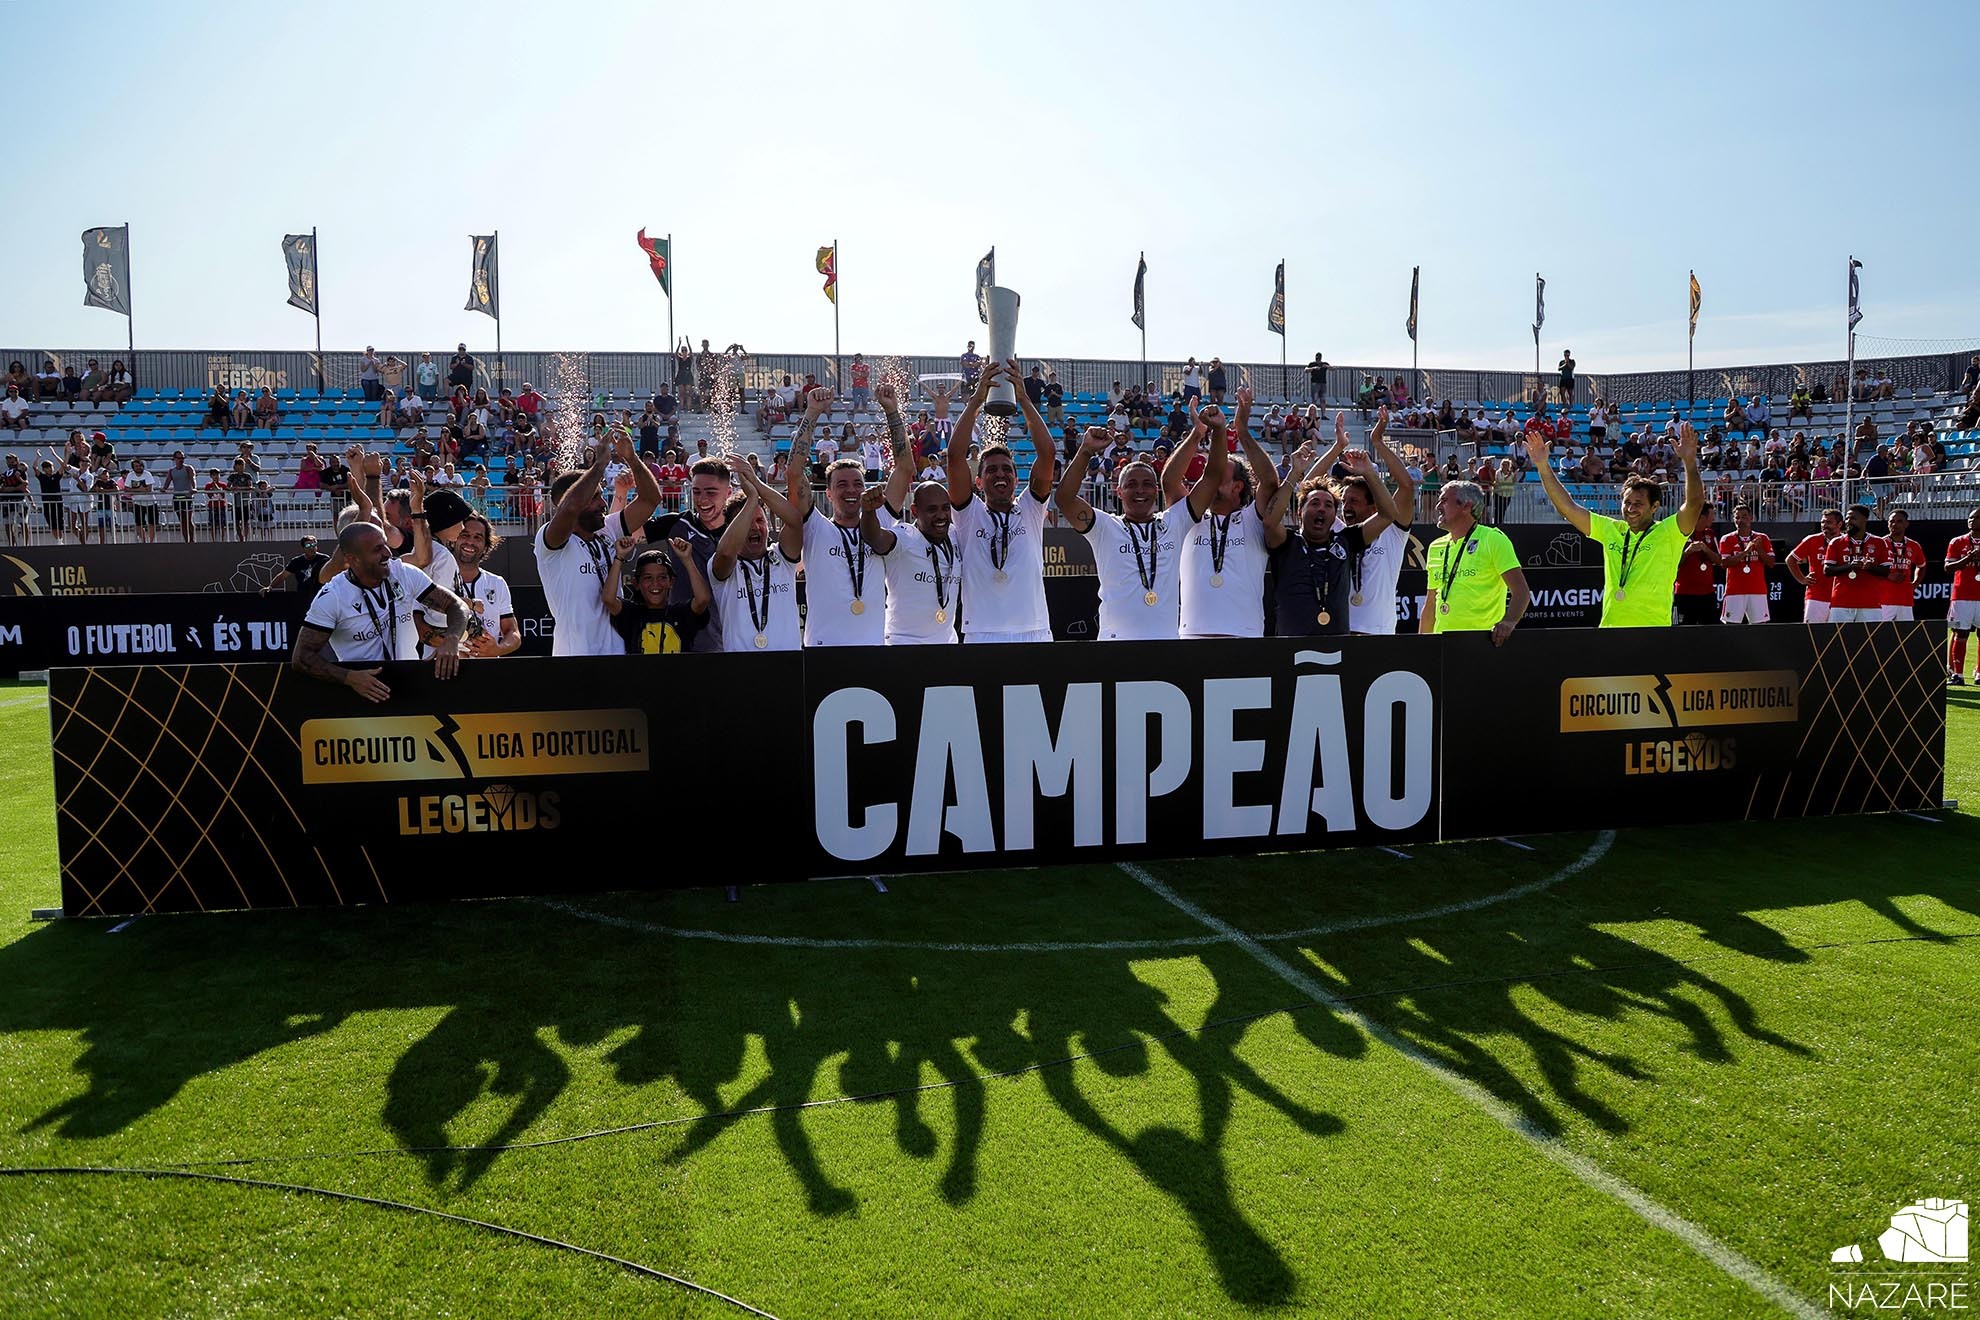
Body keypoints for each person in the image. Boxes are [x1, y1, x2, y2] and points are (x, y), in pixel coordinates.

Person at [1524, 421, 1704, 628]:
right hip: (1610, 631)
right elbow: (1568, 508)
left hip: (1654, 634)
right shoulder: (1611, 529)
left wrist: (1690, 462)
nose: (1630, 508)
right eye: (1627, 502)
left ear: (1654, 507)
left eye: (1638, 503)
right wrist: (1543, 466)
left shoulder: (1669, 531)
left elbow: (1695, 504)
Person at [291, 522, 469, 704]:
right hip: (366, 695)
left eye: (385, 544)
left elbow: (457, 606)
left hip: (413, 687)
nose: (388, 553)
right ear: (353, 559)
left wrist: (452, 638)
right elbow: (302, 657)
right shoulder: (333, 596)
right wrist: (349, 677)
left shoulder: (404, 573)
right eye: (377, 549)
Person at [947, 362, 1057, 643]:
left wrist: (1022, 398)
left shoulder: (1030, 509)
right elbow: (955, 456)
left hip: (1034, 631)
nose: (1000, 474)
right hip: (981, 634)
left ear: (1016, 479)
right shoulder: (969, 514)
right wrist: (977, 400)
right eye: (992, 470)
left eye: (1007, 469)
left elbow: (1047, 454)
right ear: (979, 482)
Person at [781, 384, 894, 645]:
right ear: (828, 494)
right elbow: (795, 474)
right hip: (824, 652)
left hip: (874, 649)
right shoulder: (816, 527)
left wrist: (891, 410)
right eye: (841, 485)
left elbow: (904, 470)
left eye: (858, 484)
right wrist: (811, 412)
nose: (851, 490)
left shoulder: (882, 522)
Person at [1165, 389, 1283, 639]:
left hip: (1245, 638)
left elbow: (1270, 482)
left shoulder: (1252, 519)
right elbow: (1170, 482)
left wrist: (1241, 430)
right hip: (1193, 637)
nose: (1206, 482)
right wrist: (1197, 434)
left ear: (1237, 487)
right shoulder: (1190, 519)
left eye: (1216, 477)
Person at [535, 430, 662, 657]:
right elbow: (571, 508)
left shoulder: (608, 528)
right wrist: (598, 466)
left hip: (618, 654)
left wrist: (632, 458)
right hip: (575, 657)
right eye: (595, 497)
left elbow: (651, 499)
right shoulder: (550, 540)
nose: (603, 503)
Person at [1056, 426, 1184, 640]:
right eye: (1131, 484)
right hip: (1115, 650)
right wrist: (1086, 451)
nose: (1140, 491)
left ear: (1156, 490)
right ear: (1119, 491)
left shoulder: (1173, 523)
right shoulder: (1105, 526)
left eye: (1147, 485)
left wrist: (1199, 432)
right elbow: (1064, 499)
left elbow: (1209, 480)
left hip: (1167, 648)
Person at [1266, 441, 1403, 638]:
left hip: (1337, 650)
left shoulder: (1345, 541)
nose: (1322, 508)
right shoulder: (1287, 543)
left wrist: (1369, 474)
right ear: (1299, 512)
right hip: (1292, 648)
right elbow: (1270, 522)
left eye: (1329, 505)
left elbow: (1388, 514)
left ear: (1333, 516)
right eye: (1314, 503)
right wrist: (1294, 474)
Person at [860, 463, 961, 647]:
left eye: (945, 508)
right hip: (903, 645)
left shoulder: (955, 535)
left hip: (947, 645)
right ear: (915, 511)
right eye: (932, 510)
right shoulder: (905, 537)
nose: (941, 515)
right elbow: (875, 537)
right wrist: (868, 512)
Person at [1418, 481, 1529, 643]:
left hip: (1482, 643)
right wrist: (1422, 644)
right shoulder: (1435, 546)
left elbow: (1521, 591)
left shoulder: (1493, 539)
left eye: (1444, 500)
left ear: (1466, 506)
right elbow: (1430, 604)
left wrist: (1508, 622)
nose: (1437, 506)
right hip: (1442, 644)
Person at [708, 460, 801, 651]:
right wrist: (751, 500)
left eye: (760, 520)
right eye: (747, 521)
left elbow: (795, 521)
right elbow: (726, 552)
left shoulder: (781, 557)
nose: (755, 527)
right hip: (740, 669)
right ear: (732, 528)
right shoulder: (722, 565)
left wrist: (757, 486)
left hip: (787, 667)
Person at [603, 535, 709, 654]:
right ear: (636, 583)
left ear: (671, 582)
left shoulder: (681, 614)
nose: (655, 584)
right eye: (648, 578)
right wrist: (619, 557)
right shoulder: (631, 614)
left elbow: (703, 600)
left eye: (662, 577)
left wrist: (687, 560)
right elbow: (608, 599)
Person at [1821, 504, 1892, 623]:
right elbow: (1827, 570)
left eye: (1853, 518)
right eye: (1847, 518)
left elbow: (1886, 571)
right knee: (1839, 639)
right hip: (1841, 603)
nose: (1848, 521)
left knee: (1871, 639)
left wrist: (1869, 567)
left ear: (1864, 520)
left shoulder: (1879, 542)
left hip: (1870, 603)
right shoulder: (1836, 542)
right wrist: (1850, 566)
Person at [1716, 504, 1774, 624]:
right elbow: (1724, 563)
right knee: (1732, 628)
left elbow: (1771, 563)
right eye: (1737, 517)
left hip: (1757, 590)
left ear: (1751, 518)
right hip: (1734, 591)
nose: (1740, 520)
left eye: (1744, 516)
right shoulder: (1726, 539)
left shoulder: (1762, 538)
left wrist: (1759, 549)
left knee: (1759, 629)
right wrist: (1746, 551)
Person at [1786, 508, 1844, 623]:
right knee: (1812, 634)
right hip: (1816, 597)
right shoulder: (1812, 540)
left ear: (1840, 524)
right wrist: (1802, 579)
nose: (1824, 525)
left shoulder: (1847, 541)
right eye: (1823, 522)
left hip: (1841, 598)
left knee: (1839, 635)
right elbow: (1790, 560)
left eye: (1829, 522)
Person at [1945, 507, 1980, 683]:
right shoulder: (1957, 541)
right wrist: (1968, 558)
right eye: (1971, 518)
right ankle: (1957, 674)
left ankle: (1979, 673)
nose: (1972, 521)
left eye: (1977, 518)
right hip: (1961, 596)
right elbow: (1948, 567)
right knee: (1960, 633)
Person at [1672, 508, 1721, 625]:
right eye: (1711, 515)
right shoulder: (1681, 534)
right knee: (1685, 632)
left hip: (1707, 594)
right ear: (1702, 517)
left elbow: (1719, 561)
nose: (1713, 518)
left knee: (1712, 631)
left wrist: (1706, 550)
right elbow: (1673, 563)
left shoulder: (1710, 534)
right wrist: (1687, 552)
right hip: (1685, 594)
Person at [1881, 509, 1925, 623]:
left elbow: (1922, 565)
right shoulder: (1880, 543)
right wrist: (1888, 575)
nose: (1894, 524)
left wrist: (1915, 583)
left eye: (1899, 521)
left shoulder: (1914, 545)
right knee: (1879, 635)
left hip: (1905, 600)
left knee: (1905, 636)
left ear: (1906, 524)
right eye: (1891, 521)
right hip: (1882, 600)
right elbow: (1870, 568)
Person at [125, 456, 161, 544]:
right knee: (139, 523)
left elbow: (148, 489)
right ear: (133, 468)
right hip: (137, 503)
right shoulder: (130, 475)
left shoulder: (147, 474)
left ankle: (151, 541)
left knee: (152, 523)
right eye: (136, 466)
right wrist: (140, 489)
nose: (138, 467)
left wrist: (134, 490)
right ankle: (143, 541)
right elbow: (126, 489)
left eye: (140, 466)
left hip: (150, 503)